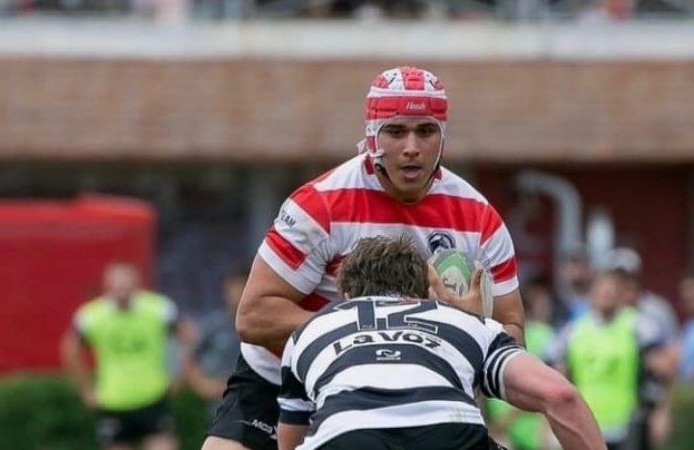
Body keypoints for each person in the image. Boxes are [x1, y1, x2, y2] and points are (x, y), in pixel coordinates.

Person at [202, 66, 525, 450]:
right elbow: (252, 316)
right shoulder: (320, 205)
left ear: (443, 137)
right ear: (372, 135)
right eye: (395, 131)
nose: (411, 147)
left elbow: (512, 330)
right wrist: (360, 335)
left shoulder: (479, 218)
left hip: (411, 391)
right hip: (280, 378)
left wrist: (469, 328)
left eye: (425, 131)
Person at [277, 235, 604, 450]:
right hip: (449, 434)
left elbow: (289, 440)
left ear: (346, 296)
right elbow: (561, 396)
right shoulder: (465, 323)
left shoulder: (310, 330)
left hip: (345, 437)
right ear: (423, 292)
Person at [61, 261, 194, 450]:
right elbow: (70, 348)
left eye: (126, 286)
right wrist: (85, 389)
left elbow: (186, 334)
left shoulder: (158, 308)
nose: (122, 292)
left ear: (136, 284)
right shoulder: (91, 315)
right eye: (117, 287)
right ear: (107, 287)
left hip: (153, 395)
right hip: (113, 400)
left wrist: (178, 373)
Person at [547, 271, 673, 450]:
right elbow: (556, 375)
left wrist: (661, 412)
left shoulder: (639, 326)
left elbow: (663, 369)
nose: (606, 296)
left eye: (611, 291)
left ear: (621, 295)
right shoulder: (574, 331)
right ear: (591, 295)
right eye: (601, 291)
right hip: (586, 422)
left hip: (627, 424)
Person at [486, 274, 557, 450]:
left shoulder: (545, 335)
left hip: (532, 434)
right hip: (502, 435)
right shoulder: (486, 334)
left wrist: (505, 421)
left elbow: (548, 387)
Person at [184, 271, 245, 417]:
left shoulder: (263, 325)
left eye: (241, 287)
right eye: (232, 288)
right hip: (220, 406)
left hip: (258, 402)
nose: (237, 294)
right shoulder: (215, 325)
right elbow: (189, 359)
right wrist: (203, 385)